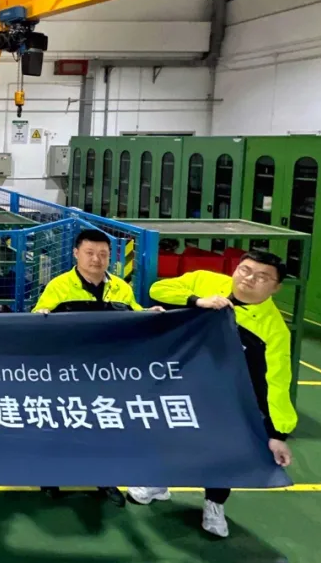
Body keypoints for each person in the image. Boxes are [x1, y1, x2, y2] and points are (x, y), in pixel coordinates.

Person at [127, 250, 295, 538]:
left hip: (227, 399)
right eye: (245, 270)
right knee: (168, 437)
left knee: (223, 451)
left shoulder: (274, 331)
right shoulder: (206, 281)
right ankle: (157, 484)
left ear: (276, 287)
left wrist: (278, 433)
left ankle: (214, 504)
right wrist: (197, 301)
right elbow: (158, 289)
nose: (249, 279)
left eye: (262, 277)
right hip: (184, 383)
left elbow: (277, 383)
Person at [33, 228, 163, 507]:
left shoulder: (121, 288)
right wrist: (41, 317)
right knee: (61, 425)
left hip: (107, 373)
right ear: (76, 253)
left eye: (103, 254)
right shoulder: (59, 286)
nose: (96, 259)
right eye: (90, 253)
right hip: (67, 373)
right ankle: (50, 476)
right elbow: (37, 318)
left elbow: (134, 314)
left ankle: (105, 479)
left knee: (104, 427)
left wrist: (148, 314)